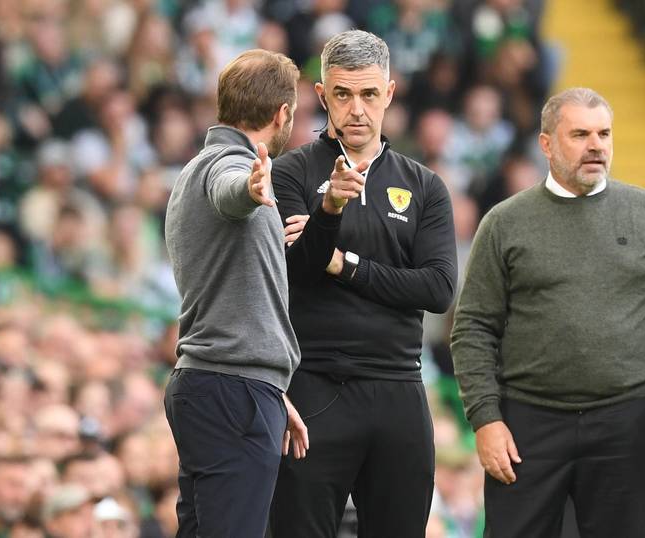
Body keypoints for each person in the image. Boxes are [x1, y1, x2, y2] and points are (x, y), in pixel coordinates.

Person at [451, 87, 645, 538]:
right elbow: (473, 328)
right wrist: (486, 418)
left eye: (604, 133)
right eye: (580, 134)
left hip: (627, 420)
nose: (596, 145)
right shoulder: (504, 222)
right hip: (527, 423)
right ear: (547, 144)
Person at [268, 30, 457, 538]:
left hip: (398, 387)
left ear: (390, 94)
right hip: (314, 384)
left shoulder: (424, 185)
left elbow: (438, 289)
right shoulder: (290, 174)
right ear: (322, 94)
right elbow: (296, 269)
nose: (357, 109)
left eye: (369, 94)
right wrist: (329, 210)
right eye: (344, 94)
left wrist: (343, 263)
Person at [163, 49, 308, 538]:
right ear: (282, 113)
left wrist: (269, 382)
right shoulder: (227, 167)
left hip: (227, 385)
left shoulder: (193, 169)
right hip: (232, 392)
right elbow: (230, 192)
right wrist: (249, 187)